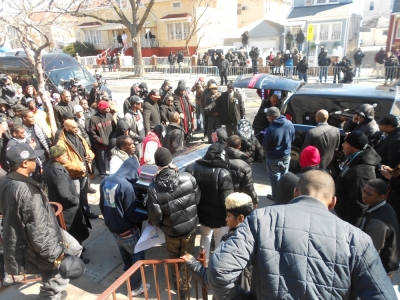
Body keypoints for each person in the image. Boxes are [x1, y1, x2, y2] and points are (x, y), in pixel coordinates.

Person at [207, 170, 397, 299]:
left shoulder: (261, 219)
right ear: (333, 202)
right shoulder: (358, 239)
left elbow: (219, 270)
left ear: (296, 193)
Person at [0, 143, 84, 300]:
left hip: (37, 235)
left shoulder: (7, 180)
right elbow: (37, 231)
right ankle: (49, 295)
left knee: (74, 249)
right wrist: (56, 255)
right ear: (24, 163)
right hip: (41, 241)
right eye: (33, 158)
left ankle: (54, 293)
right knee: (65, 263)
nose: (37, 160)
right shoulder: (28, 192)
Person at [147, 147, 200, 298]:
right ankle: (185, 288)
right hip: (190, 229)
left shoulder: (153, 188)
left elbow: (155, 216)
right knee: (188, 258)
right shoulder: (188, 177)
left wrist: (164, 226)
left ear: (157, 164)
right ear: (171, 160)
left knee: (173, 258)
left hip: (171, 233)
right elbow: (197, 199)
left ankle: (177, 285)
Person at [181, 192, 254, 292]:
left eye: (229, 216)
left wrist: (191, 263)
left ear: (240, 218)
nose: (226, 219)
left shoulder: (232, 245)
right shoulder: (260, 234)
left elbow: (215, 281)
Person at [99, 157, 150, 296]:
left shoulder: (105, 181)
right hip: (128, 230)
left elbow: (101, 206)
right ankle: (136, 287)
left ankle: (127, 273)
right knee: (137, 257)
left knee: (124, 251)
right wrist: (145, 216)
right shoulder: (126, 186)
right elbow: (131, 213)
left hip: (113, 228)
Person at [43, 145, 91, 264]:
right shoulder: (58, 173)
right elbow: (64, 194)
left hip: (65, 207)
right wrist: (76, 200)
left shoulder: (50, 167)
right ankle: (77, 257)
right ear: (57, 158)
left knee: (75, 232)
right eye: (64, 155)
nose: (66, 157)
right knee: (74, 232)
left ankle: (78, 247)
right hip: (69, 210)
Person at [185, 143, 234, 260]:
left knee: (204, 236)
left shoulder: (193, 167)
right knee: (220, 239)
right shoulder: (224, 173)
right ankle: (217, 265)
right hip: (220, 218)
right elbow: (227, 201)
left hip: (202, 215)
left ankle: (203, 264)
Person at [335, 131, 381, 227]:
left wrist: (350, 229)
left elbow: (358, 206)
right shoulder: (355, 158)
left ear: (355, 147)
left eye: (346, 143)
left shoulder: (360, 173)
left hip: (346, 222)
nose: (342, 145)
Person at [57, 120, 97, 219]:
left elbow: (88, 149)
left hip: (84, 172)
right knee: (76, 196)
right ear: (66, 128)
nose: (77, 129)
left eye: (77, 127)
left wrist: (90, 156)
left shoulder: (79, 137)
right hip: (74, 174)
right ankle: (78, 216)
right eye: (74, 127)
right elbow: (62, 161)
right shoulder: (61, 143)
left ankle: (86, 211)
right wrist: (78, 167)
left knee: (84, 195)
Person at [360, 178, 400, 276]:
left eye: (369, 194)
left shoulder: (378, 223)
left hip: (379, 271)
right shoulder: (381, 206)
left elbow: (370, 253)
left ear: (381, 197)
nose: (364, 195)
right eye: (364, 191)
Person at [262, 107, 295, 201]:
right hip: (286, 156)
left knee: (275, 178)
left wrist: (266, 151)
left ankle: (276, 197)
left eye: (268, 116)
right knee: (285, 177)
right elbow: (292, 138)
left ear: (272, 117)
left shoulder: (270, 129)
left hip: (273, 157)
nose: (267, 117)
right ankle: (286, 195)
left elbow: (265, 145)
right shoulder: (289, 124)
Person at [225, 135, 258, 206]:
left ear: (227, 144)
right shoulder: (244, 165)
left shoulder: (218, 158)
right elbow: (248, 187)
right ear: (239, 147)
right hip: (237, 201)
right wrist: (254, 200)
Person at [89, 100, 116, 179]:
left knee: (111, 159)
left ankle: (112, 172)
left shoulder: (110, 116)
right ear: (101, 108)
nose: (108, 109)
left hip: (110, 143)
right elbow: (92, 133)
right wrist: (101, 141)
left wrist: (113, 139)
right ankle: (103, 174)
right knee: (102, 160)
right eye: (106, 107)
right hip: (101, 145)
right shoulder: (94, 119)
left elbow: (114, 128)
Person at [22, 110, 50, 182]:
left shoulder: (37, 126)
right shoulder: (21, 131)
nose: (33, 118)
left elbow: (46, 138)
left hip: (45, 158)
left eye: (33, 117)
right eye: (30, 117)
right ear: (24, 118)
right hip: (35, 162)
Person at [124, 95, 145, 160]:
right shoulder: (127, 116)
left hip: (142, 139)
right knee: (137, 157)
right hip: (135, 141)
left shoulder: (138, 112)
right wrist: (137, 137)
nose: (141, 105)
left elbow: (141, 123)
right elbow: (128, 131)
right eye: (139, 103)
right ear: (135, 104)